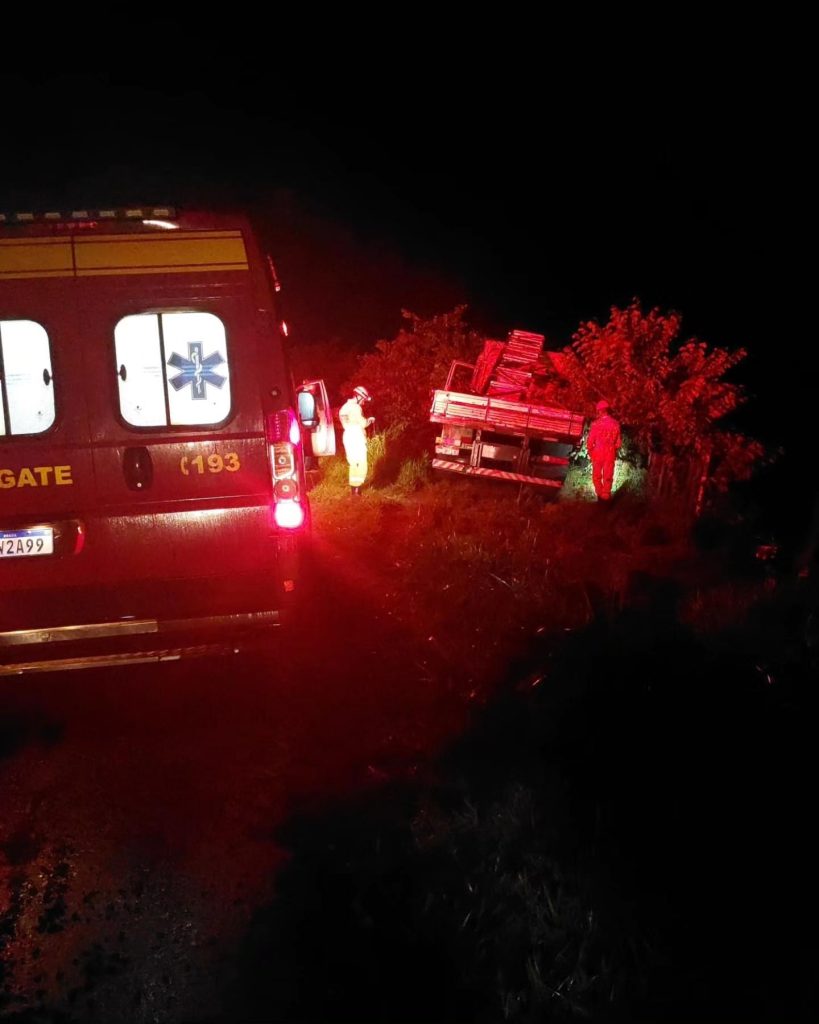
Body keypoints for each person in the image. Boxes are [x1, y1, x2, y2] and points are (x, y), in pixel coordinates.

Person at [338, 385, 375, 496]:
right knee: (362, 463)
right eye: (363, 399)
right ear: (359, 396)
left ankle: (354, 490)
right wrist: (370, 420)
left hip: (347, 435)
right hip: (356, 436)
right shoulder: (356, 408)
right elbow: (362, 423)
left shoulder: (344, 407)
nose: (363, 402)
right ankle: (357, 490)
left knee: (353, 463)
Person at [587, 400, 621, 501]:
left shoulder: (595, 424)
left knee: (597, 476)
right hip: (610, 452)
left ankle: (600, 496)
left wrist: (591, 453)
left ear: (600, 411)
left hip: (598, 452)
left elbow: (590, 442)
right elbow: (618, 443)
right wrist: (613, 450)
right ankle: (606, 496)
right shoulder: (615, 424)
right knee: (608, 476)